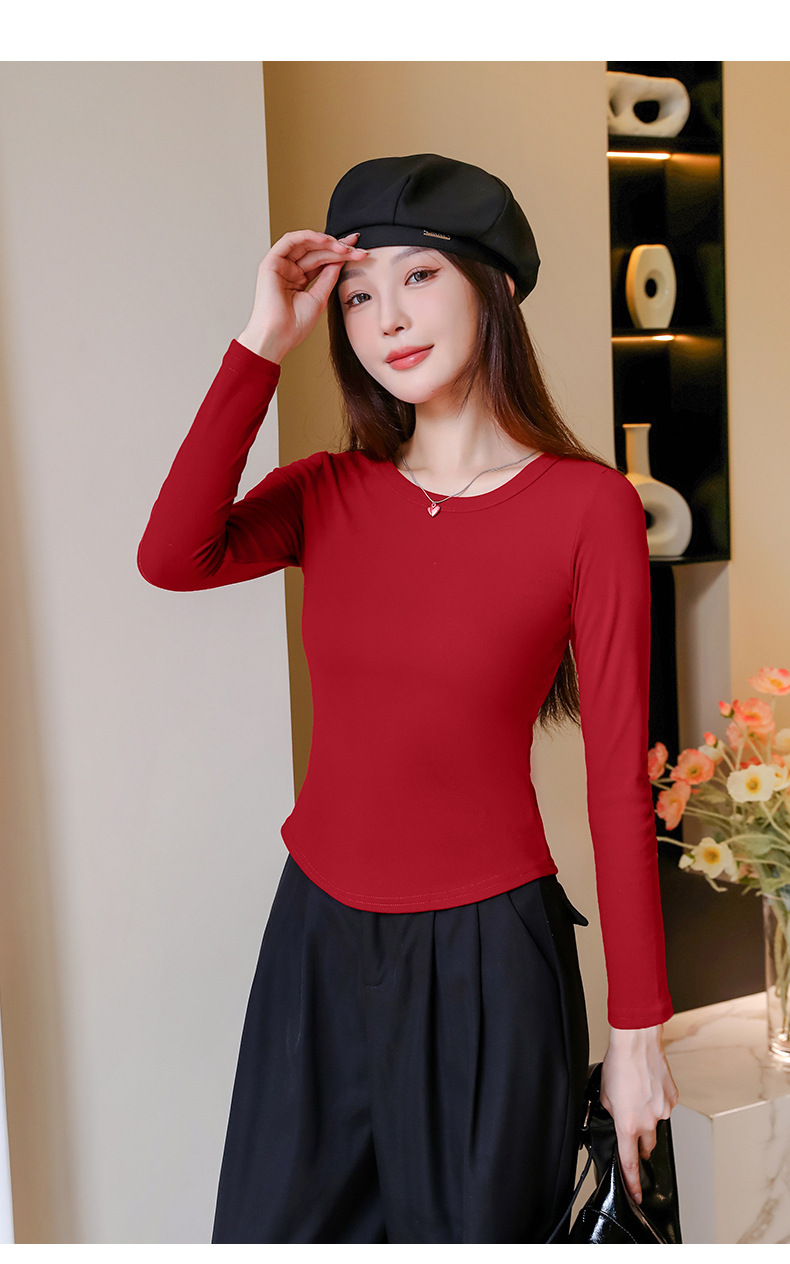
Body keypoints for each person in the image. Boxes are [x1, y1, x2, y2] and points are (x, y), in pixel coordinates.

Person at [137, 153, 679, 1244]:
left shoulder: (589, 510)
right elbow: (172, 555)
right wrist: (263, 341)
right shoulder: (330, 491)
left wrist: (636, 1036)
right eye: (355, 296)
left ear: (496, 287)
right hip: (316, 939)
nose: (384, 318)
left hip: (490, 962)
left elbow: (617, 783)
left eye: (419, 276)